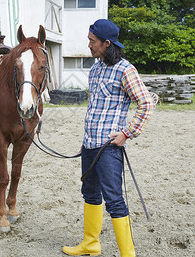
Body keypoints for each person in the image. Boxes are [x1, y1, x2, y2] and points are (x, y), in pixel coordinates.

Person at [62, 19, 155, 257]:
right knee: (90, 193)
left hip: (109, 147)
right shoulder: (95, 69)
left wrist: (127, 133)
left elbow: (146, 104)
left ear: (106, 43)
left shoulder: (126, 70)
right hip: (90, 145)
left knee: (114, 200)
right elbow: (95, 109)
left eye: (92, 42)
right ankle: (90, 244)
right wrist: (85, 142)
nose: (89, 45)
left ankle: (128, 254)